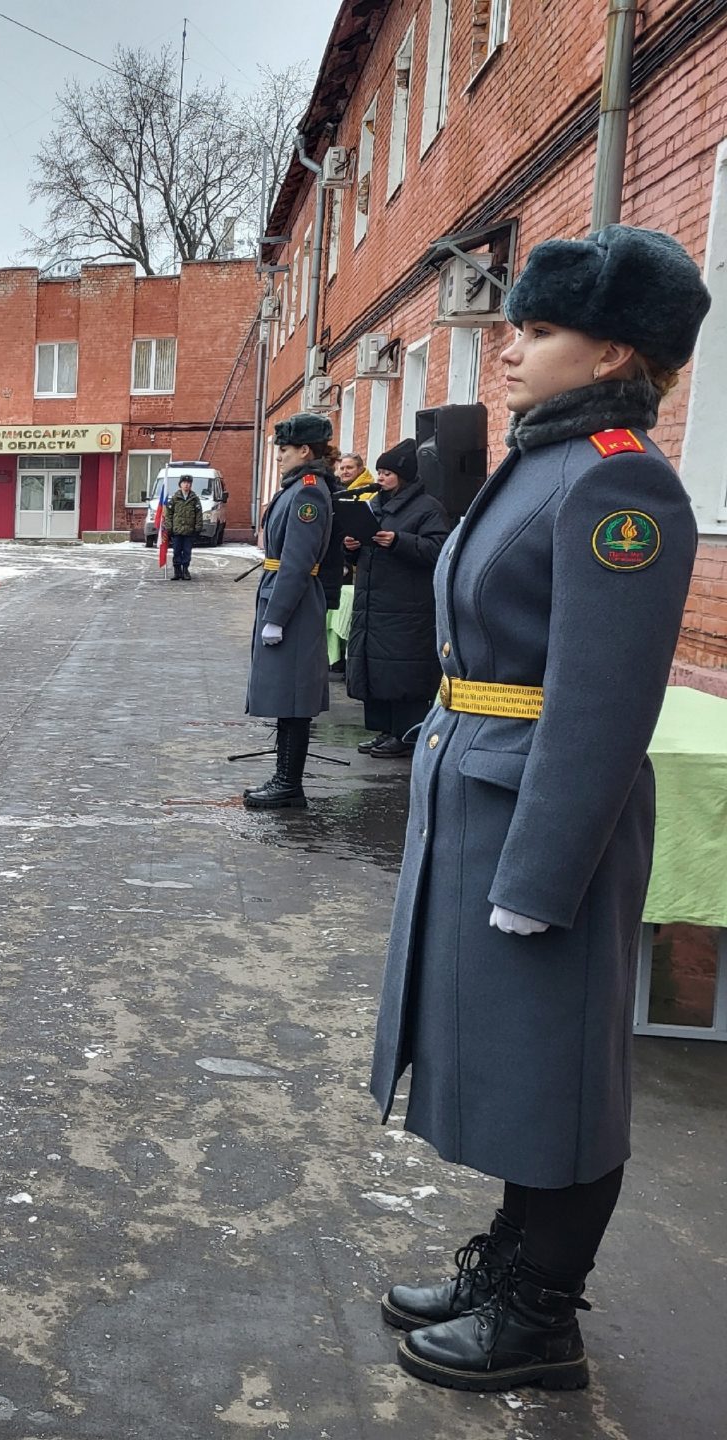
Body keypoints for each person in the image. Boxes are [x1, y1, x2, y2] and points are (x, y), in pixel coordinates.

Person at [371, 225, 706, 1395]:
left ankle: (541, 1318)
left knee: (562, 1074)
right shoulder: (544, 458)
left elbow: (605, 705)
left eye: (538, 329)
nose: (507, 349)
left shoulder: (619, 478)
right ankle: (510, 1260)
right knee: (516, 1059)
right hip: (483, 794)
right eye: (515, 325)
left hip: (541, 817)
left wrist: (542, 871)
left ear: (617, 353)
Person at [243, 412, 334, 810]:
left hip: (292, 603)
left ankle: (288, 784)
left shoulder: (308, 493)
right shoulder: (297, 488)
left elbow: (297, 562)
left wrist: (277, 616)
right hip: (282, 594)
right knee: (286, 695)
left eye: (285, 449)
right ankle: (283, 778)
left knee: (294, 697)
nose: (279, 455)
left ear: (305, 450)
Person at [343, 438, 452, 758]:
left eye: (387, 473)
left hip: (406, 606)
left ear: (403, 476)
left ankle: (406, 733)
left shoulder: (428, 507)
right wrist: (351, 546)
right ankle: (385, 729)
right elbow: (365, 549)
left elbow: (439, 549)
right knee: (376, 669)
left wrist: (398, 541)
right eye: (379, 471)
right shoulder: (374, 503)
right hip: (374, 603)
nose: (381, 478)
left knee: (402, 670)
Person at [327, 452, 376, 671]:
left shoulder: (366, 493)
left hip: (356, 562)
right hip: (345, 553)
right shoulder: (343, 491)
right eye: (342, 468)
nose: (344, 471)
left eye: (349, 468)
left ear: (360, 469)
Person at [164, 474, 203, 581]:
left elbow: (199, 514)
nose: (186, 485)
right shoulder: (175, 498)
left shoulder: (194, 499)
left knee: (187, 551)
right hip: (176, 530)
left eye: (188, 483)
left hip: (189, 531)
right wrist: (169, 527)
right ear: (180, 485)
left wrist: (198, 528)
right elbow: (169, 514)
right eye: (184, 483)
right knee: (176, 551)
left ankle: (185, 570)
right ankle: (177, 571)